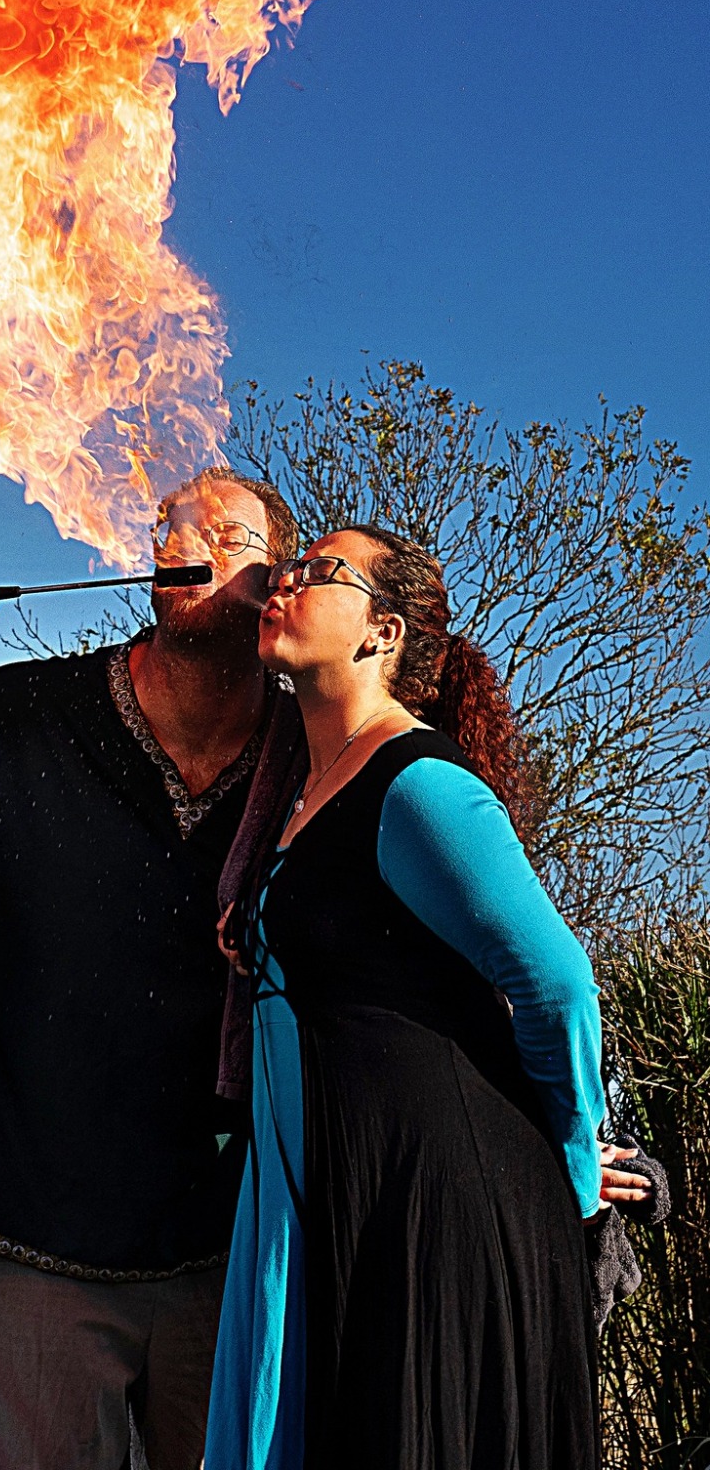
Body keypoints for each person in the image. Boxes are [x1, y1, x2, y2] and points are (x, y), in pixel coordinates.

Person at [0, 470, 307, 1470]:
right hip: (30, 1235)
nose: (187, 542)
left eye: (227, 533)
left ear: (278, 584)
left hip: (235, 1242)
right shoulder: (17, 715)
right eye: (173, 525)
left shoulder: (313, 757)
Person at [206, 524, 651, 1470]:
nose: (284, 582)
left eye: (318, 572)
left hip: (436, 1213)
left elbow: (556, 985)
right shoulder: (301, 795)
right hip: (348, 1199)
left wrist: (577, 1172)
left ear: (383, 632)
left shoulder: (419, 785)